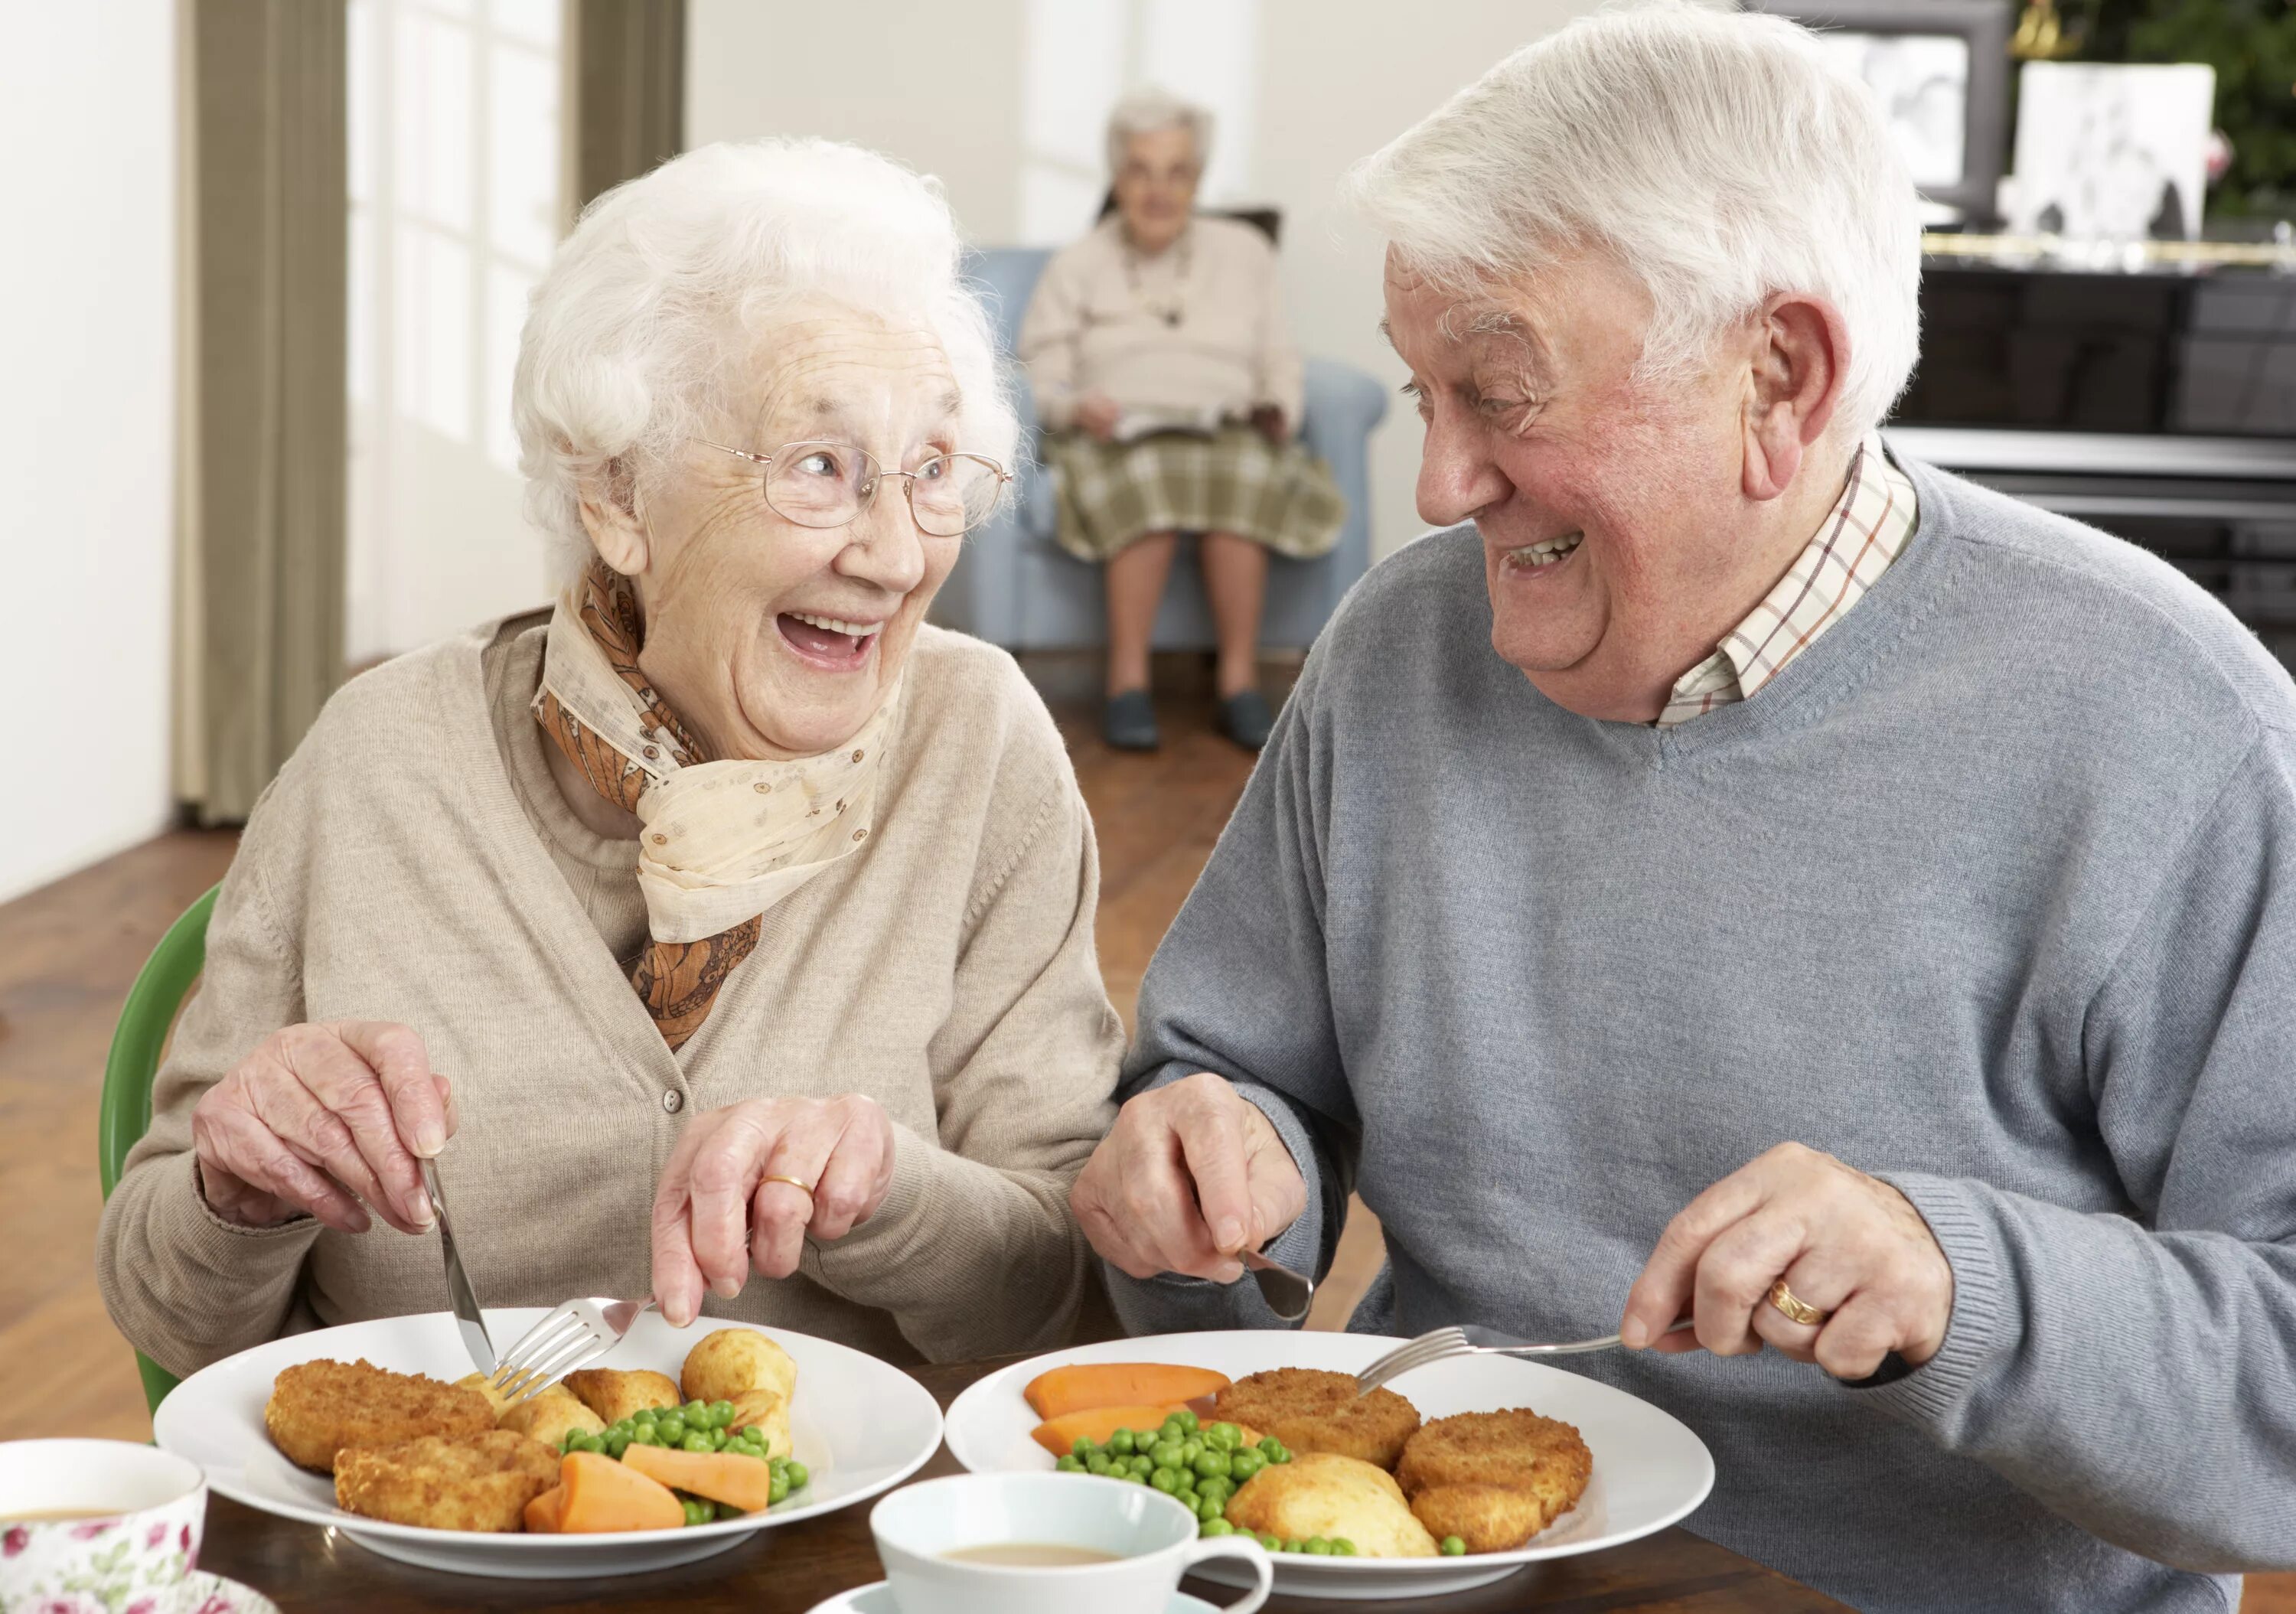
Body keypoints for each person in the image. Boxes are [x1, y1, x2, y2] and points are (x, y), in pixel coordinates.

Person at [1067, 8, 2296, 1612]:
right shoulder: (1394, 651)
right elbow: (1228, 1077)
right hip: (1424, 1572)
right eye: (1421, 389)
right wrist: (1205, 1169)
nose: (1437, 482)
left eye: (1500, 393)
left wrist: (1958, 1279)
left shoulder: (2177, 729)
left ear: (1778, 380)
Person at [97, 139, 1127, 1375]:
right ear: (618, 496)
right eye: (821, 466)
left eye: (931, 471)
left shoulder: (980, 746)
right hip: (434, 1531)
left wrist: (892, 1194)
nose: (897, 554)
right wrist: (238, 1184)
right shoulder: (376, 759)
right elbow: (170, 1307)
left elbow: (1070, 1298)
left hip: (848, 1555)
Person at [1018, 89, 1344, 754]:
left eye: (1176, 172)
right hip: (1117, 433)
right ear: (1118, 178)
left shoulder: (1245, 252)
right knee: (1150, 477)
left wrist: (1279, 408)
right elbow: (1036, 371)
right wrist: (1077, 405)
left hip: (1224, 424)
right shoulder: (1077, 264)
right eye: (1140, 170)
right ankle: (1127, 684)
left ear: (1197, 177)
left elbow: (1279, 355)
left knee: (1244, 472)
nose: (1158, 189)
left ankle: (1239, 685)